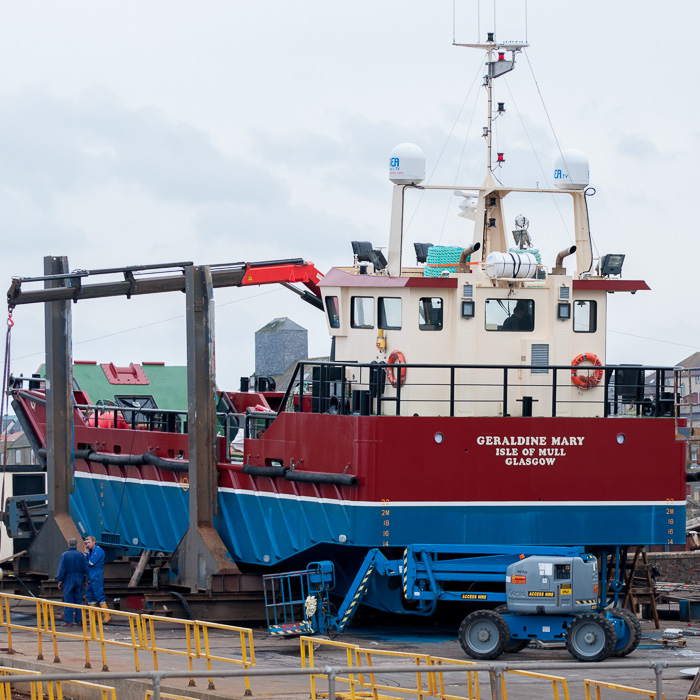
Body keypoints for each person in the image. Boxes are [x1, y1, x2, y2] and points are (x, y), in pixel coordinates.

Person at [56, 538, 87, 627]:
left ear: (69, 545)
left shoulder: (64, 555)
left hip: (68, 579)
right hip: (79, 578)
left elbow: (62, 569)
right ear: (77, 545)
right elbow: (86, 568)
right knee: (79, 600)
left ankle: (69, 621)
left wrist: (60, 580)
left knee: (68, 601)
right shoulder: (82, 555)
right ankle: (80, 621)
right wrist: (85, 580)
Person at [84, 535, 111, 623]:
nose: (87, 545)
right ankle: (94, 617)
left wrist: (86, 554)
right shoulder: (90, 552)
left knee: (99, 594)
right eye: (86, 543)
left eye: (89, 542)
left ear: (93, 542)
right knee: (90, 596)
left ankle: (107, 616)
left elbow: (91, 562)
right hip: (90, 575)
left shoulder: (98, 550)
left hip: (96, 575)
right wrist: (86, 554)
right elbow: (87, 562)